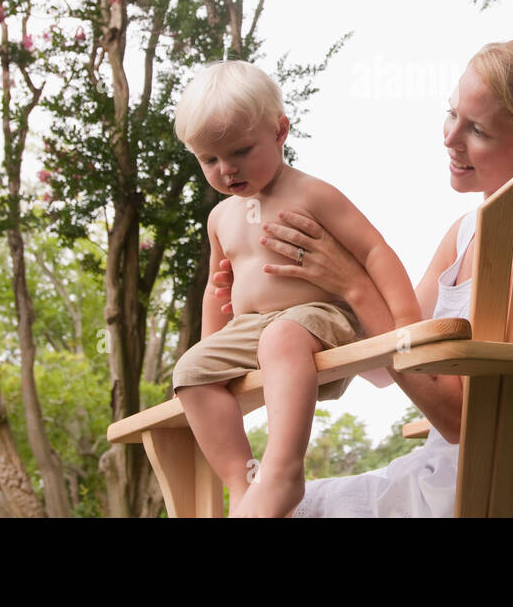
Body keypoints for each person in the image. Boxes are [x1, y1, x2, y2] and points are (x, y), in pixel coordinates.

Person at [209, 39, 513, 516]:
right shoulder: (467, 233)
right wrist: (315, 296)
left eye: (478, 130)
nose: (451, 138)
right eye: (452, 114)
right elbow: (380, 370)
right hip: (469, 479)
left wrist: (355, 284)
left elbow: (456, 418)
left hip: (470, 494)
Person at [170, 60, 422, 518]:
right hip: (251, 330)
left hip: (318, 320)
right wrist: (214, 353)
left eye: (241, 151)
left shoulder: (311, 194)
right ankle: (244, 484)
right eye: (210, 159)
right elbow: (216, 290)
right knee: (188, 372)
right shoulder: (220, 218)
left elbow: (374, 251)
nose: (227, 170)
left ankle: (282, 471)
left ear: (281, 130)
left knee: (281, 335)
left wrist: (404, 321)